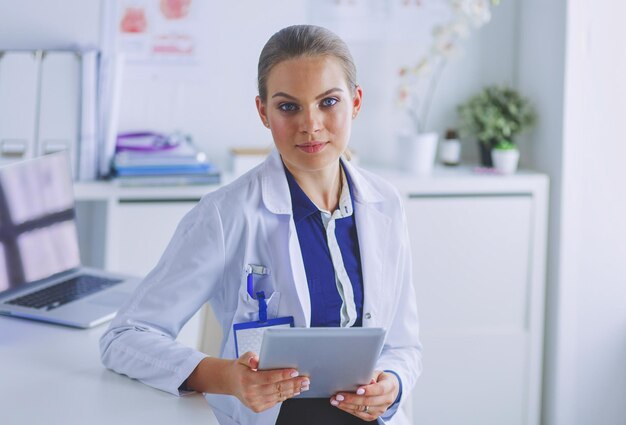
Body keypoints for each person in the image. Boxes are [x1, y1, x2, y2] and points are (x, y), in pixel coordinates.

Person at [100, 24, 422, 425]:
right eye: (289, 106)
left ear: (355, 102)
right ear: (263, 112)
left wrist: (392, 384)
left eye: (328, 102)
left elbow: (404, 346)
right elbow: (125, 338)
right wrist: (226, 377)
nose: (311, 124)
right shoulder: (226, 214)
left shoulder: (385, 205)